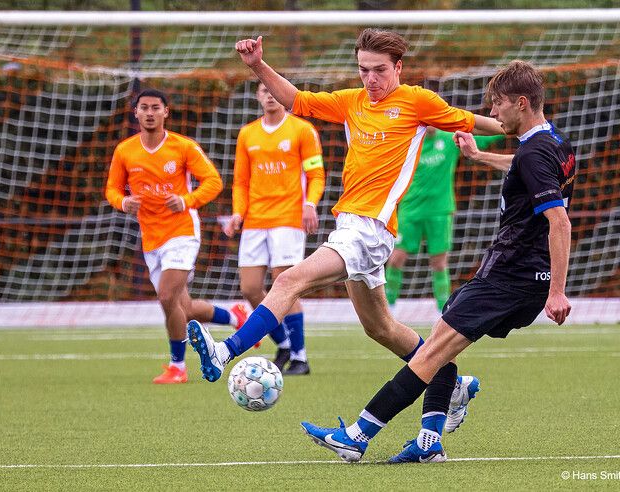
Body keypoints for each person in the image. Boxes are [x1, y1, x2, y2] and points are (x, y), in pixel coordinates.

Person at [187, 30, 503, 427]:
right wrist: (257, 66)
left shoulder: (418, 101)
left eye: (380, 71)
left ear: (398, 68)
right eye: (363, 70)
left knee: (288, 282)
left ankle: (225, 351)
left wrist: (523, 126)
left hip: (369, 229)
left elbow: (479, 122)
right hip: (353, 226)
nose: (370, 79)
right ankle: (450, 381)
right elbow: (296, 100)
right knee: (381, 329)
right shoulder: (351, 101)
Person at [301, 60, 575, 463]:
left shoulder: (533, 154)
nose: (493, 114)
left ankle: (358, 434)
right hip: (519, 277)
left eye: (498, 105)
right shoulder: (554, 144)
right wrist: (481, 158)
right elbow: (524, 167)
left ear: (521, 102)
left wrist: (557, 291)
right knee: (440, 340)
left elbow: (559, 221)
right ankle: (430, 441)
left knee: (430, 353)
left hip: (510, 277)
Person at [105, 88, 248, 384]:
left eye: (155, 107)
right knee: (181, 307)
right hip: (151, 238)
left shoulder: (183, 147)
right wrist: (123, 202)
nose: (149, 113)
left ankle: (177, 367)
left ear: (165, 112)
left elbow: (213, 181)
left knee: (167, 296)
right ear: (136, 113)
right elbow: (112, 190)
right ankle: (235, 317)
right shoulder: (125, 151)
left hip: (182, 232)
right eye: (143, 107)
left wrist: (186, 200)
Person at [222, 81, 325, 375]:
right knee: (251, 288)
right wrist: (238, 213)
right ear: (257, 95)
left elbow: (316, 174)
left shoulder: (302, 130)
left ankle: (300, 356)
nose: (270, 96)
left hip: (288, 218)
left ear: (281, 94)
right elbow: (241, 181)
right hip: (255, 220)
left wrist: (310, 204)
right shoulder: (248, 134)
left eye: (273, 91)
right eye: (264, 91)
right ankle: (282, 344)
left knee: (285, 284)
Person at [385, 128, 504, 314]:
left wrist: (506, 128)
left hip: (439, 211)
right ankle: (388, 305)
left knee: (439, 263)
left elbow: (479, 140)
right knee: (395, 259)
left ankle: (443, 309)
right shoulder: (408, 140)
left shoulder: (450, 139)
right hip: (410, 209)